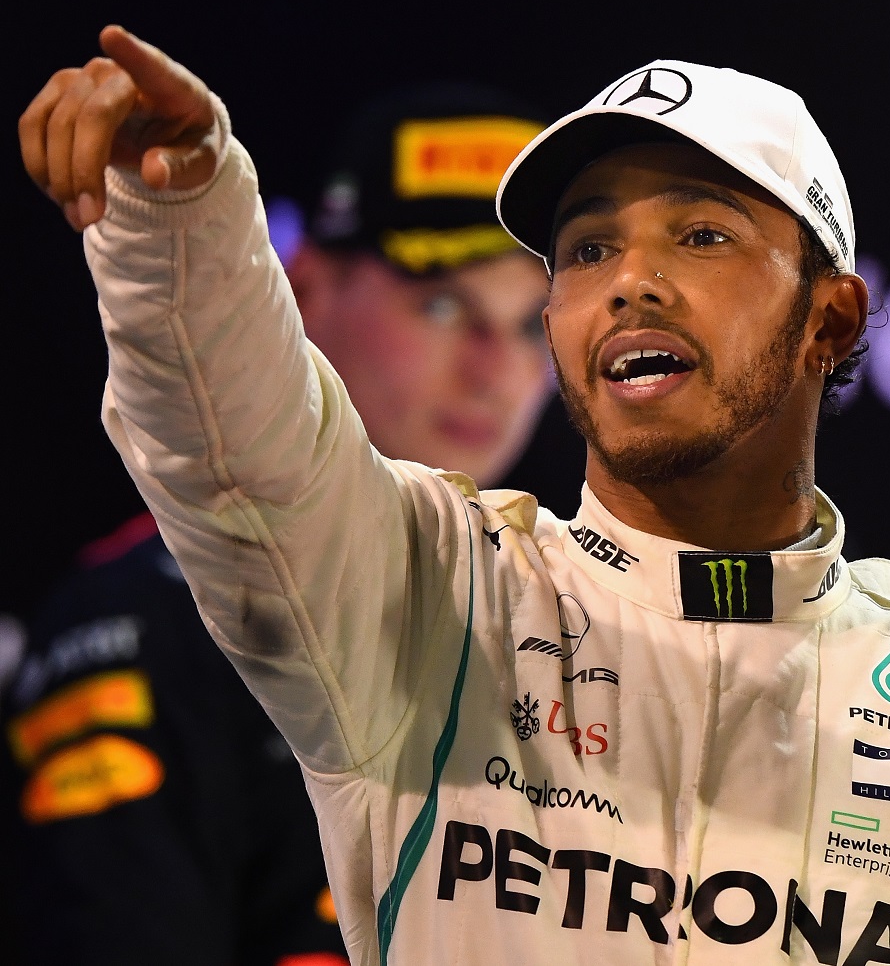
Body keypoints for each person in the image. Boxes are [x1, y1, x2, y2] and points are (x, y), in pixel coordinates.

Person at [19, 26, 890, 965]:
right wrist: (178, 220)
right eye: (589, 248)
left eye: (701, 233)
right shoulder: (433, 596)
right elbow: (236, 458)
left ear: (832, 318)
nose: (629, 281)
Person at [6, 76, 553, 965]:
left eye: (531, 323)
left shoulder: (571, 627)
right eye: (445, 304)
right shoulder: (146, 627)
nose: (496, 370)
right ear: (306, 286)